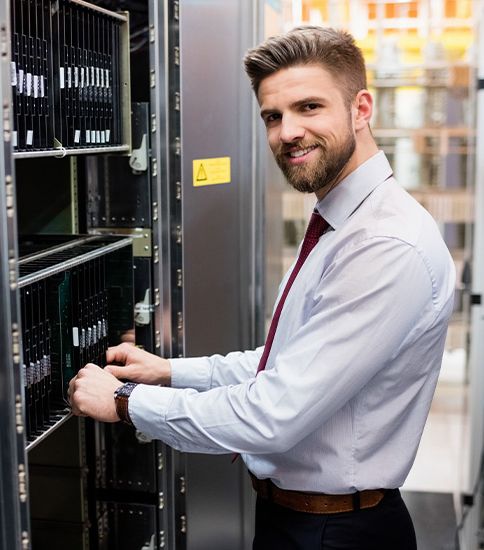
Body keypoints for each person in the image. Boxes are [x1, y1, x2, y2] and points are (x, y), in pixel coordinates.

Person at [68, 25, 455, 548]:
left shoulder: (383, 245)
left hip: (336, 532)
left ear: (361, 109)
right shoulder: (339, 221)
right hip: (299, 519)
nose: (287, 132)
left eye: (310, 107)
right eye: (273, 116)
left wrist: (125, 402)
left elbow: (273, 413)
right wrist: (169, 372)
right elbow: (289, 363)